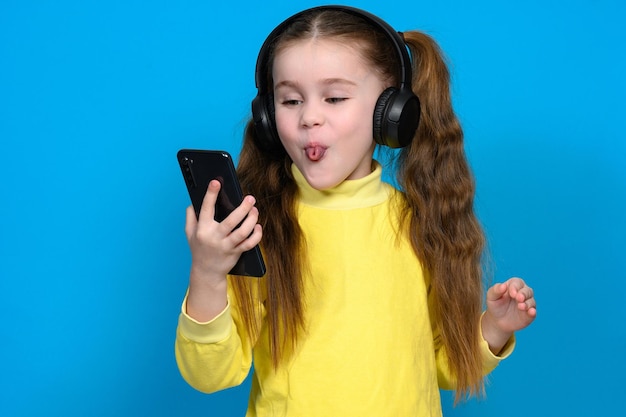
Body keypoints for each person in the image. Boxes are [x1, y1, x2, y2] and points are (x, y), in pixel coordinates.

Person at [175, 5, 537, 416]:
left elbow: (440, 368)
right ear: (267, 118)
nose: (309, 117)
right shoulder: (256, 229)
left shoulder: (419, 224)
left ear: (391, 111)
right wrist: (207, 272)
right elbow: (210, 376)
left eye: (334, 97)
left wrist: (493, 328)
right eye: (290, 100)